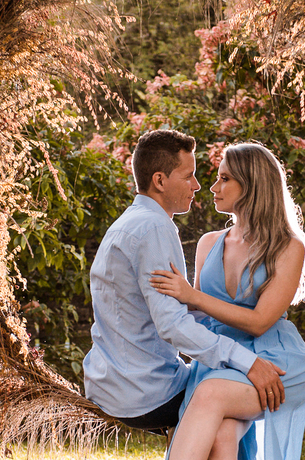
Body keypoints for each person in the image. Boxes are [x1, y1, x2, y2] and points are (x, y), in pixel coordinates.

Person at [120, 141, 305, 460]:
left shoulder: (289, 247)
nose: (212, 185)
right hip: (228, 362)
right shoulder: (209, 243)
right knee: (221, 441)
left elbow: (258, 321)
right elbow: (199, 325)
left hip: (275, 364)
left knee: (207, 398)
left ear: (252, 186)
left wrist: (192, 295)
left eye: (225, 177)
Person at [82, 127, 287, 437]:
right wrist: (249, 362)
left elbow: (168, 312)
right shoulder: (154, 229)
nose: (198, 185)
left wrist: (209, 310)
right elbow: (173, 326)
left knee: (222, 397)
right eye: (188, 175)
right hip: (145, 395)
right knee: (239, 394)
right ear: (160, 181)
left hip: (109, 384)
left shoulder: (130, 222)